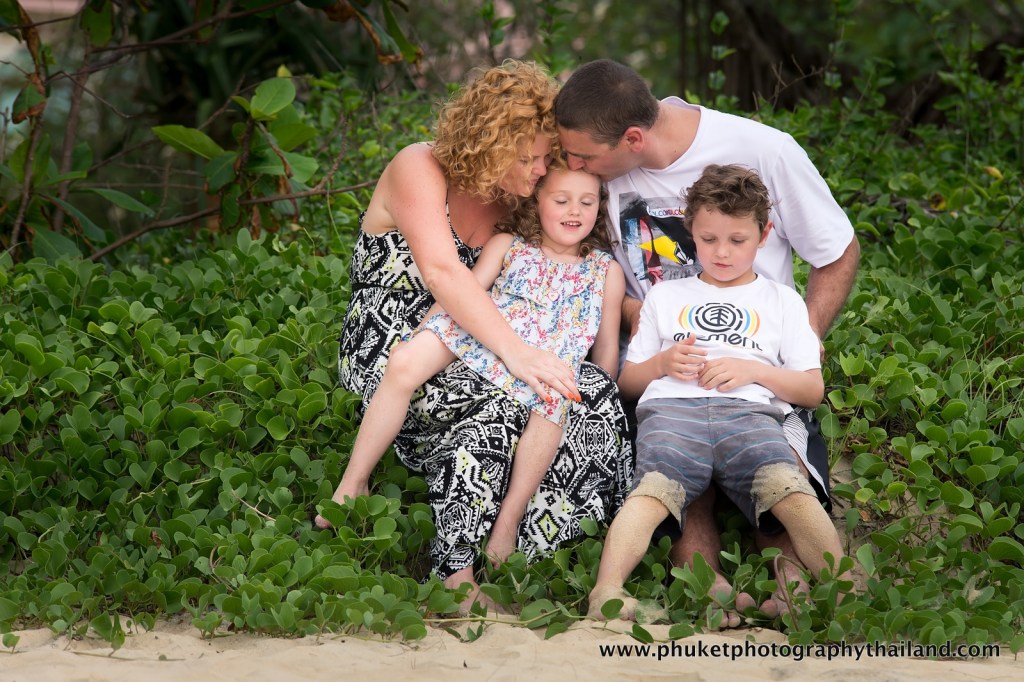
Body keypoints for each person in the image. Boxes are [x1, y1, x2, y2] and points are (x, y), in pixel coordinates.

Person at [320, 60, 633, 611]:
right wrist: (519, 354)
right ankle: (448, 558)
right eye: (528, 157)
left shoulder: (517, 193)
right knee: (516, 400)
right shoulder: (419, 167)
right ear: (489, 143)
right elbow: (444, 275)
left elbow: (556, 263)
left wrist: (642, 310)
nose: (539, 170)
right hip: (397, 338)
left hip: (489, 335)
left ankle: (525, 545)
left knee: (591, 404)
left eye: (544, 158)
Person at [555, 59, 859, 621]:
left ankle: (796, 589)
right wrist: (647, 320)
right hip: (667, 375)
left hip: (757, 376)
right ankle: (708, 591)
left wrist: (796, 342)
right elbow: (595, 275)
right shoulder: (598, 177)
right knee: (675, 480)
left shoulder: (763, 150)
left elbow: (837, 251)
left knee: (782, 476)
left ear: (634, 139)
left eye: (584, 158)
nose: (573, 167)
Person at [588, 164, 847, 620]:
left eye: (737, 240)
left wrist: (753, 370)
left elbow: (810, 388)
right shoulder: (666, 297)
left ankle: (843, 589)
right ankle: (606, 592)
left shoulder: (782, 301)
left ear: (764, 234)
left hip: (748, 415)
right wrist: (662, 364)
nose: (722, 252)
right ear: (691, 231)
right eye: (708, 240)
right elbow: (627, 382)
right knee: (652, 491)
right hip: (671, 414)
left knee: (788, 489)